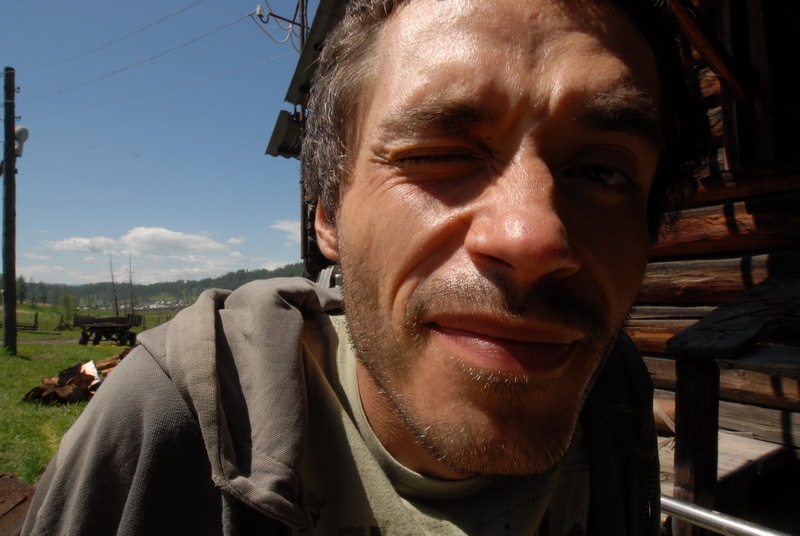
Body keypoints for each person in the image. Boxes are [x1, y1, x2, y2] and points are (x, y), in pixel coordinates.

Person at [23, 0, 706, 534]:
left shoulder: (612, 389)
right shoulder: (173, 420)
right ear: (327, 214)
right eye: (437, 155)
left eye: (602, 171)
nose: (534, 237)